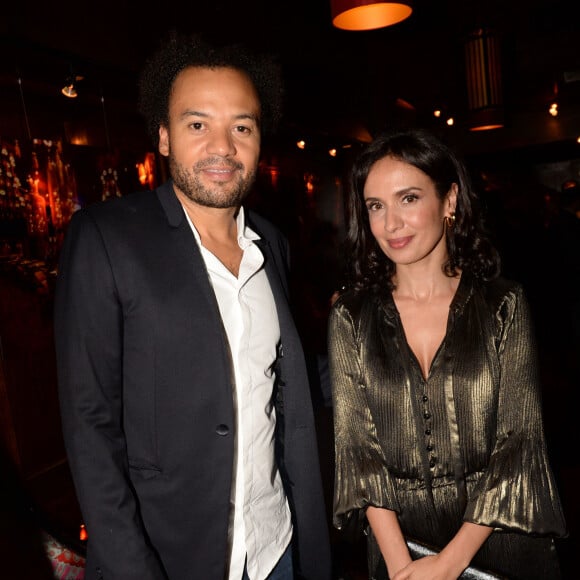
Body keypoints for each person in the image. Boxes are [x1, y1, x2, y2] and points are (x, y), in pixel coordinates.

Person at [53, 32, 332, 580]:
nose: (222, 147)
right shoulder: (106, 238)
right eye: (197, 124)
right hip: (171, 556)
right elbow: (90, 424)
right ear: (163, 136)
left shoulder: (271, 244)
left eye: (241, 127)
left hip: (277, 544)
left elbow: (281, 376)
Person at [327, 127, 567, 580]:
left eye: (409, 198)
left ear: (450, 200)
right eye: (376, 206)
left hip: (500, 542)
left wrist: (449, 564)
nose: (390, 224)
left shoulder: (503, 305)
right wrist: (403, 568)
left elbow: (518, 446)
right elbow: (359, 455)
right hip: (399, 548)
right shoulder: (350, 318)